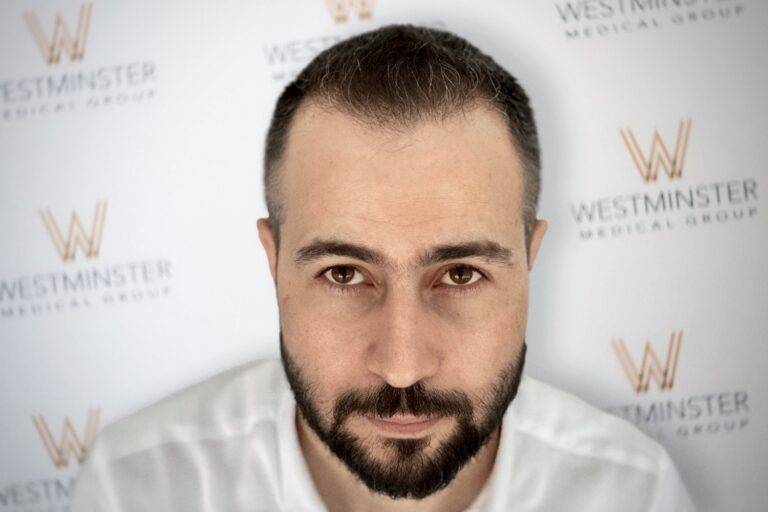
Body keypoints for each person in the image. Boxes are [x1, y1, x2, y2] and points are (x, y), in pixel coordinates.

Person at [71, 24, 696, 512]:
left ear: (531, 261)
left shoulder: (632, 493)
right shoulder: (137, 487)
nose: (402, 365)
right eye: (344, 274)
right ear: (274, 262)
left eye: (460, 274)